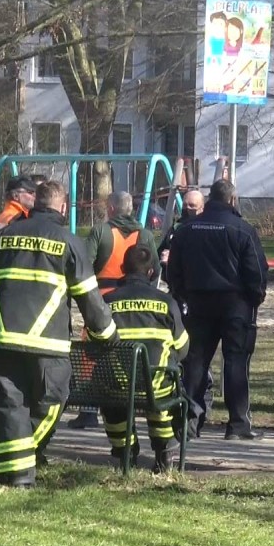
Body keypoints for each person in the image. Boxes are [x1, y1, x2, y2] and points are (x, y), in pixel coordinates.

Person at [0, 181, 118, 487]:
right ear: (63, 208)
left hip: (3, 343)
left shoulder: (3, 237)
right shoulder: (70, 243)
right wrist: (107, 335)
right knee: (51, 404)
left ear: (35, 204)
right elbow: (91, 301)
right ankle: (17, 473)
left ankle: (4, 463)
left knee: (10, 407)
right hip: (48, 348)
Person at [166, 179, 268, 440]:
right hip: (236, 305)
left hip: (198, 303)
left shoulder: (186, 230)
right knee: (235, 362)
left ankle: (189, 424)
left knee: (196, 364)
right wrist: (254, 298)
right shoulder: (243, 230)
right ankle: (237, 424)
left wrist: (183, 294)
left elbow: (173, 269)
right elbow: (256, 271)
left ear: (210, 199)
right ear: (232, 200)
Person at [66, 190, 161, 430]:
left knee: (91, 354)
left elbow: (83, 265)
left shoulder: (101, 232)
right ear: (131, 209)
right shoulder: (145, 235)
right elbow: (155, 268)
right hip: (135, 305)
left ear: (110, 209)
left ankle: (89, 409)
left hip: (103, 303)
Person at [101, 245, 189, 472]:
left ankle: (126, 452)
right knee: (161, 391)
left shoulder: (107, 302)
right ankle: (164, 452)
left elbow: (95, 341)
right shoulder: (166, 303)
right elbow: (183, 347)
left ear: (123, 268)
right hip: (157, 387)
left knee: (115, 396)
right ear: (151, 272)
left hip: (117, 388)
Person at [158, 189, 213, 411]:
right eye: (186, 205)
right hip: (177, 294)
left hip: (199, 296)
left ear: (202, 207)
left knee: (197, 350)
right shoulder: (177, 229)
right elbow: (162, 250)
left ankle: (202, 393)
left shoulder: (206, 228)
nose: (188, 209)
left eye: (193, 206)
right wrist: (164, 258)